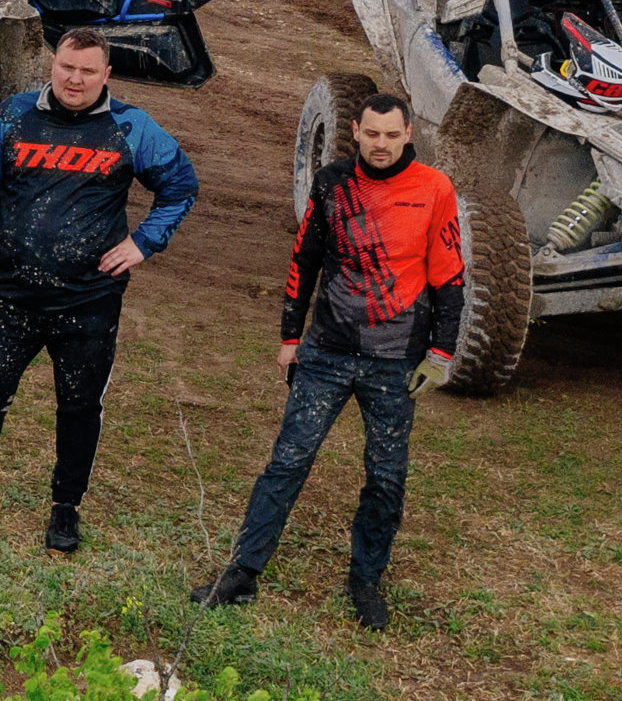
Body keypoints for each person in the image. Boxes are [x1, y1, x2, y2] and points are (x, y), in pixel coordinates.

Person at [0, 28, 199, 553]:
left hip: (89, 301)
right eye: (67, 67)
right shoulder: (13, 116)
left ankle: (65, 509)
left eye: (88, 71)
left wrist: (143, 243)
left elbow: (180, 185)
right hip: (10, 296)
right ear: (54, 65)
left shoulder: (131, 128)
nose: (75, 80)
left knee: (79, 405)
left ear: (106, 75)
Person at [196, 87, 462, 629]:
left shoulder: (435, 189)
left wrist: (440, 353)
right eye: (371, 134)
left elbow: (450, 277)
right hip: (326, 353)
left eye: (392, 134)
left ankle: (366, 581)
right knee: (287, 462)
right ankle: (243, 571)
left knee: (386, 476)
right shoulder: (332, 183)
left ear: (408, 134)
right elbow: (305, 257)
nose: (381, 144)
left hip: (395, 363)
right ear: (356, 133)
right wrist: (290, 337)